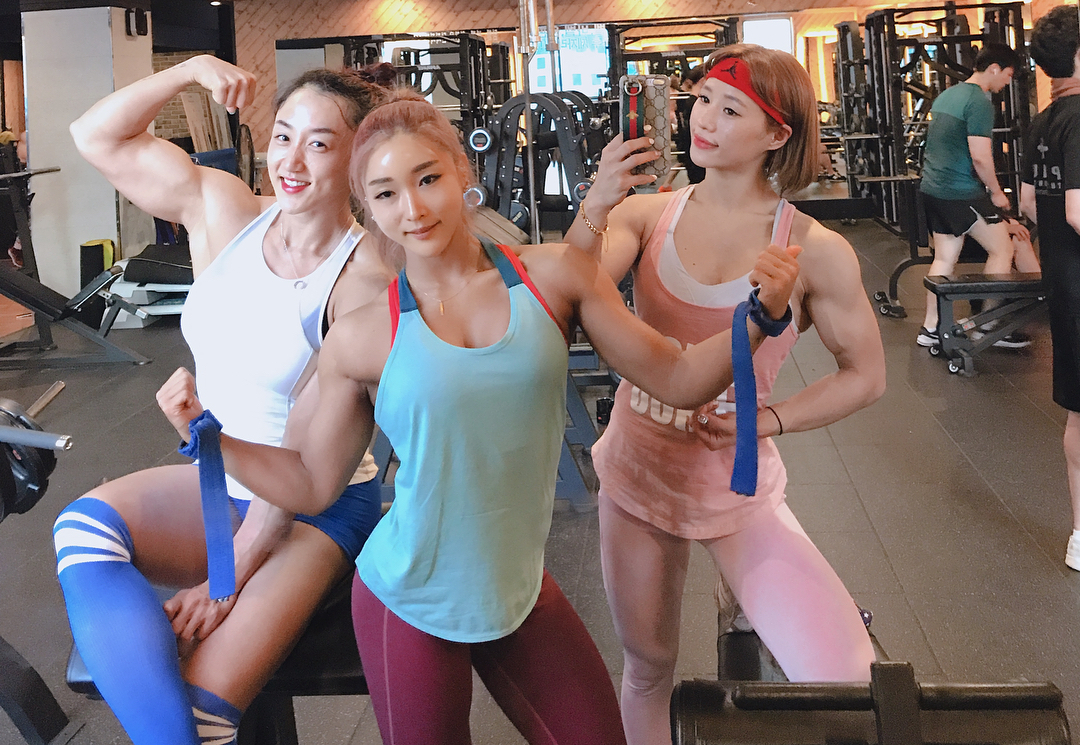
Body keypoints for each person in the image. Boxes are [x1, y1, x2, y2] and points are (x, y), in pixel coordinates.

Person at [155, 90, 803, 745]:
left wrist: (759, 317)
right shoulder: (360, 334)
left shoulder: (555, 276)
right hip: (407, 599)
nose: (412, 209)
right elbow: (311, 483)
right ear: (368, 208)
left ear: (462, 171)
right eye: (385, 194)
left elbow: (678, 377)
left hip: (515, 587)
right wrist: (209, 437)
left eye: (427, 179)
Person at [54, 55, 395, 745]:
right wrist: (187, 70)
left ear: (357, 161)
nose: (290, 160)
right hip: (222, 477)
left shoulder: (361, 278)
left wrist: (228, 572)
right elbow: (95, 135)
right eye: (283, 135)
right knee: (82, 529)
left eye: (319, 143)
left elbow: (307, 461)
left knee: (205, 715)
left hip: (311, 507)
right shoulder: (227, 212)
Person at [565, 43, 885, 745]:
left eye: (731, 109)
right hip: (638, 472)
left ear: (777, 134)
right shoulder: (646, 216)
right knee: (648, 667)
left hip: (736, 486)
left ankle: (740, 600)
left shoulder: (812, 249)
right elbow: (568, 292)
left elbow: (866, 375)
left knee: (851, 682)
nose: (703, 120)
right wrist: (594, 204)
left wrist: (772, 418)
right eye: (703, 99)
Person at [918, 41, 1036, 349]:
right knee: (1002, 249)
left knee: (944, 258)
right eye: (1008, 75)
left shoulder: (948, 95)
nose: (1007, 82)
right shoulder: (979, 102)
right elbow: (981, 157)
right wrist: (996, 193)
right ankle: (988, 326)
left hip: (933, 189)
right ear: (994, 69)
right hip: (960, 193)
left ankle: (930, 328)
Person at [1021, 5, 1080, 569]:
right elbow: (1079, 210)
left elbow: (1028, 204)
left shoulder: (1041, 122)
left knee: (1078, 412)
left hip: (1064, 285)